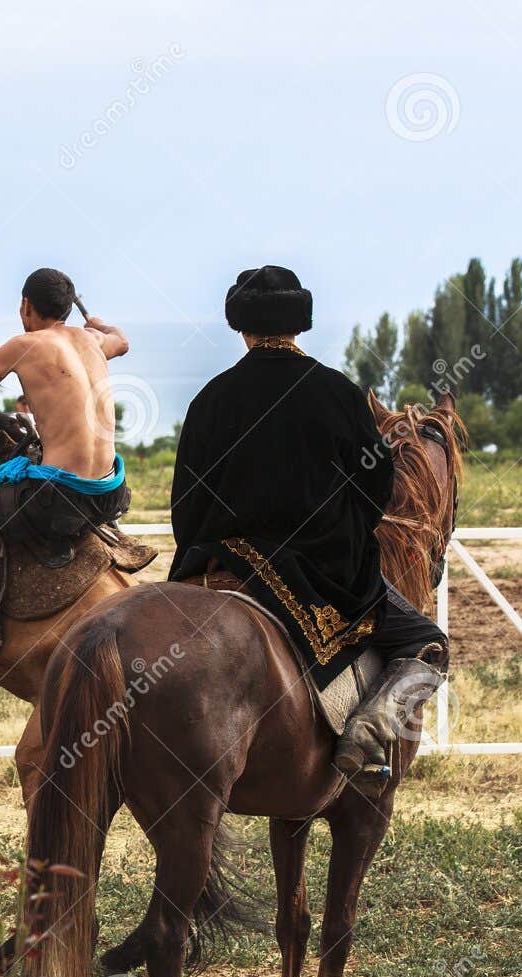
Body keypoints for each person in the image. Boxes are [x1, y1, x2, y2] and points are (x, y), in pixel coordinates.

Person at [168, 265, 446, 775]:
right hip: (318, 572)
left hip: (217, 560)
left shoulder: (210, 398)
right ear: (299, 324)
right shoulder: (337, 393)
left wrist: (202, 552)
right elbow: (374, 492)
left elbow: (185, 500)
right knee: (427, 641)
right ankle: (368, 731)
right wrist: (342, 539)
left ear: (242, 328)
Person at [0, 268, 132, 649]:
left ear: (26, 305)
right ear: (68, 308)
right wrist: (101, 325)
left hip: (54, 502)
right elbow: (122, 341)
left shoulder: (22, 345)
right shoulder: (94, 341)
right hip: (110, 496)